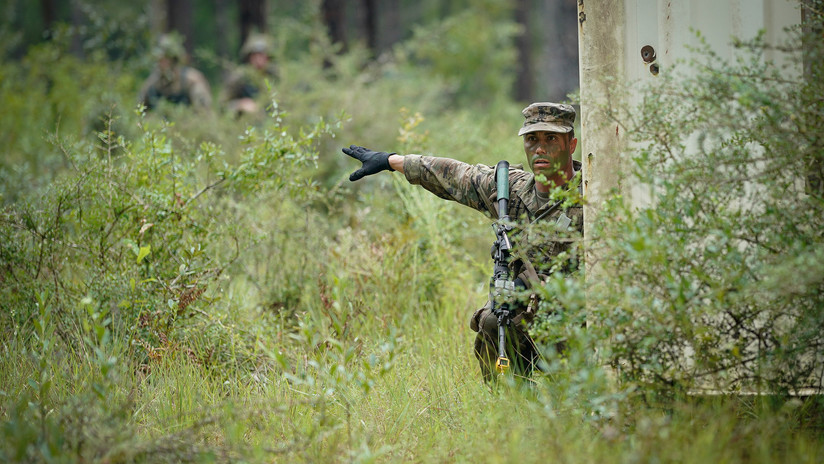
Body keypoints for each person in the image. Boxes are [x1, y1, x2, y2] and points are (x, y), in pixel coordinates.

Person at [342, 102, 584, 381]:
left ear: (572, 144)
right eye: (532, 139)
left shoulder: (591, 194)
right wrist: (389, 161)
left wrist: (537, 287)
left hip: (574, 320)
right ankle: (513, 403)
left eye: (551, 139)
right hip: (525, 317)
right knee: (493, 319)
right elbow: (456, 175)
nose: (540, 148)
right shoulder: (512, 190)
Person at [138, 33, 213, 112]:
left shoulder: (191, 81)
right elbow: (140, 112)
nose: (162, 64)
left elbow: (204, 112)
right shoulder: (152, 84)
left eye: (166, 59)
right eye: (160, 60)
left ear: (174, 60)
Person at [220, 33, 278, 117]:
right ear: (248, 58)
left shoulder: (275, 76)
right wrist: (240, 104)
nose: (259, 60)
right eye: (255, 56)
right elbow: (223, 106)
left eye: (262, 55)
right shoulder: (240, 77)